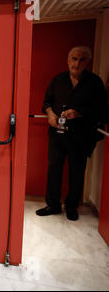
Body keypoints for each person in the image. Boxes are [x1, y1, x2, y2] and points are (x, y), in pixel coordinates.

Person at [36, 46, 108, 221]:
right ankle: (53, 205)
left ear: (87, 62)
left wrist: (79, 113)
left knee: (77, 172)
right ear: (68, 60)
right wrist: (50, 113)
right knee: (54, 169)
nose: (77, 63)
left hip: (81, 136)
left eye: (82, 59)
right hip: (57, 135)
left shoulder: (95, 83)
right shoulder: (58, 80)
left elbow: (102, 110)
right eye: (74, 59)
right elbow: (46, 102)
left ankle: (71, 207)